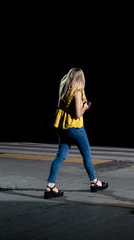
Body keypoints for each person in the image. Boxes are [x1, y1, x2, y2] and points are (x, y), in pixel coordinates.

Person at [44, 67, 108, 199]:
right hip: (75, 127)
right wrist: (85, 107)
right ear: (81, 79)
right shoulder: (77, 92)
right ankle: (94, 182)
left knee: (60, 155)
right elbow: (78, 114)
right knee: (86, 154)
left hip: (63, 126)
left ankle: (50, 186)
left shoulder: (64, 86)